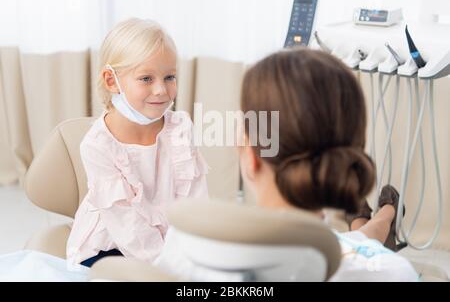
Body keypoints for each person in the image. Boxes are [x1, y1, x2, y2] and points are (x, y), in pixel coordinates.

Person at [155, 48, 418, 281]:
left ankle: (374, 220)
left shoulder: (184, 252)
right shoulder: (390, 273)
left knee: (355, 242)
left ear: (251, 156)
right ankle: (387, 214)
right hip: (343, 252)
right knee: (360, 244)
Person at [66, 18, 209, 268]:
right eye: (146, 79)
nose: (161, 90)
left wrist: (196, 250)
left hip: (168, 243)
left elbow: (195, 201)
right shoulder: (98, 145)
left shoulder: (181, 128)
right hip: (110, 246)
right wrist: (168, 268)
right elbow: (127, 227)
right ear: (112, 81)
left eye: (169, 77)